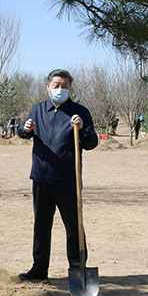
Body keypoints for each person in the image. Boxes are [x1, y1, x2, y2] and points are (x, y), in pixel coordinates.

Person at [17, 69, 98, 281]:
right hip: (42, 178)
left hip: (68, 180)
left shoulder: (79, 112)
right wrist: (25, 128)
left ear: (70, 88)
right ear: (48, 87)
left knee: (73, 227)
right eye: (56, 85)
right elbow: (23, 132)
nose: (60, 89)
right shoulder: (37, 110)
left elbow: (91, 143)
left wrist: (83, 128)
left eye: (65, 86)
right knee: (42, 226)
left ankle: (78, 269)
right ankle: (39, 269)